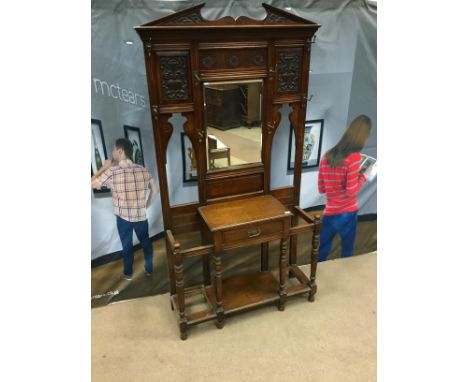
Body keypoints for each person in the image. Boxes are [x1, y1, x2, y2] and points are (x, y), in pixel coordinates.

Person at [91, 138, 159, 280]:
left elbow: (91, 183)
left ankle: (128, 273)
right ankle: (149, 269)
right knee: (146, 242)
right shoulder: (143, 170)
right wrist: (146, 205)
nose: (112, 152)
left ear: (120, 151)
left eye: (114, 149)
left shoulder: (112, 172)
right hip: (141, 216)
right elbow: (155, 190)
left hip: (123, 217)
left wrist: (103, 168)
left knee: (127, 246)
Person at [317, 115, 375, 262]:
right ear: (363, 136)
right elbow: (351, 191)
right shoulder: (354, 158)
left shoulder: (326, 156)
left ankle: (316, 280)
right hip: (347, 213)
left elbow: (321, 188)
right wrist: (365, 175)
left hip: (329, 213)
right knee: (347, 253)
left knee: (321, 252)